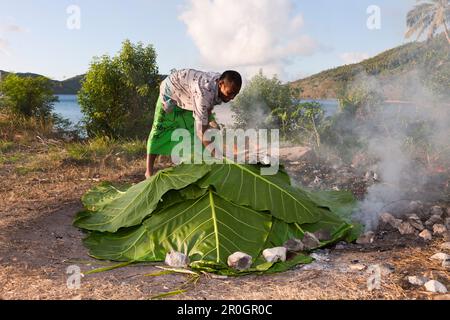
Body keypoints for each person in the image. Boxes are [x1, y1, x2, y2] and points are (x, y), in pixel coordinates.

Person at [145, 69, 242, 178]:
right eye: (230, 93)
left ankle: (195, 165)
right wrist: (219, 156)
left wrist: (212, 122)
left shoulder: (219, 84)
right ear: (220, 84)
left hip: (189, 95)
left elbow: (209, 105)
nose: (232, 97)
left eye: (235, 94)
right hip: (171, 90)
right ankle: (148, 172)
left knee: (196, 130)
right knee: (160, 130)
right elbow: (201, 132)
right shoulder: (203, 93)